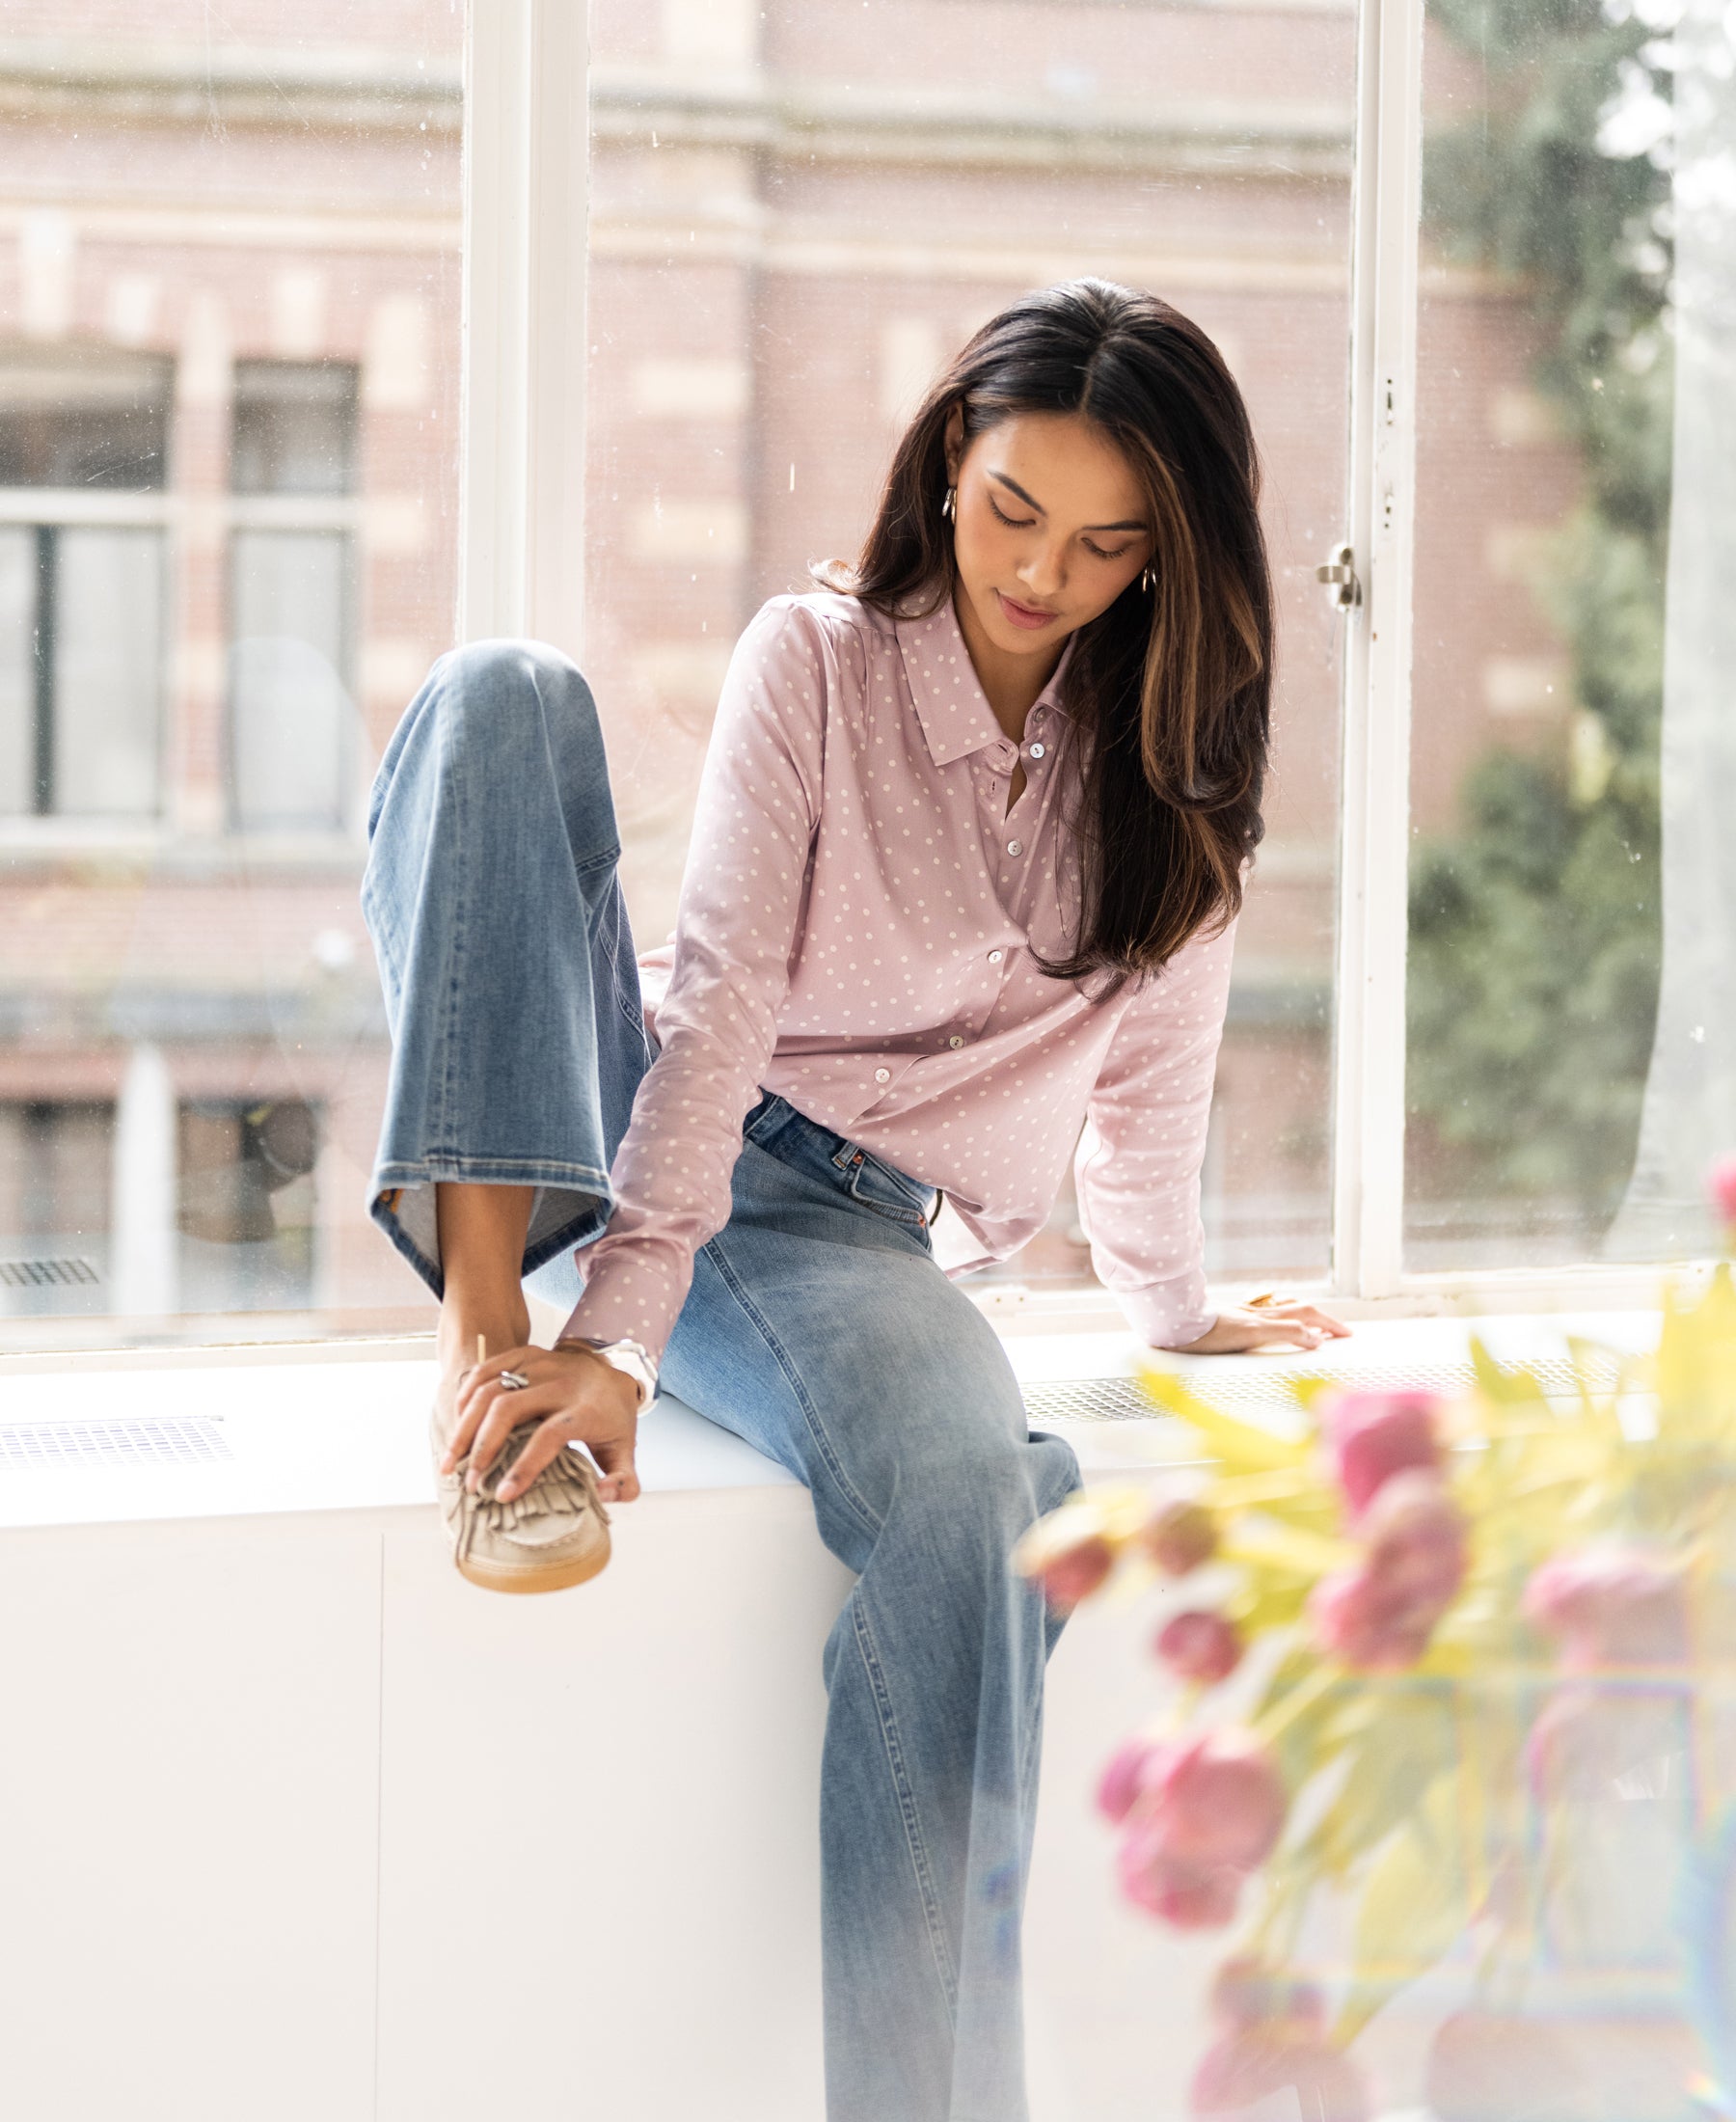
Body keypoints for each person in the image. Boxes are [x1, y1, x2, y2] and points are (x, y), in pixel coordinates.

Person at [361, 276, 1346, 2121]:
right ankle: (486, 1348)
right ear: (945, 465)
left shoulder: (1180, 793)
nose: (1044, 570)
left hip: (844, 1240)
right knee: (503, 696)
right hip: (645, 1120)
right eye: (1011, 510)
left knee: (980, 1493)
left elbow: (1149, 1099)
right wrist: (617, 1346)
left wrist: (1180, 1309)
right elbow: (718, 998)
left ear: (1174, 559)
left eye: (1109, 543)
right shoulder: (811, 658)